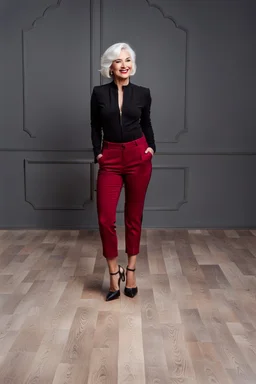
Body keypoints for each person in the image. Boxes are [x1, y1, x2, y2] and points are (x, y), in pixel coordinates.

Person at [90, 42, 156, 301]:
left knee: (133, 216)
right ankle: (112, 274)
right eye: (119, 61)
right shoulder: (98, 93)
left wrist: (151, 148)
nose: (124, 64)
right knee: (106, 218)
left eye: (128, 60)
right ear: (110, 66)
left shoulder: (143, 93)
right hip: (111, 157)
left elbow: (147, 122)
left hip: (138, 155)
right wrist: (98, 152)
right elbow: (95, 125)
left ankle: (130, 271)